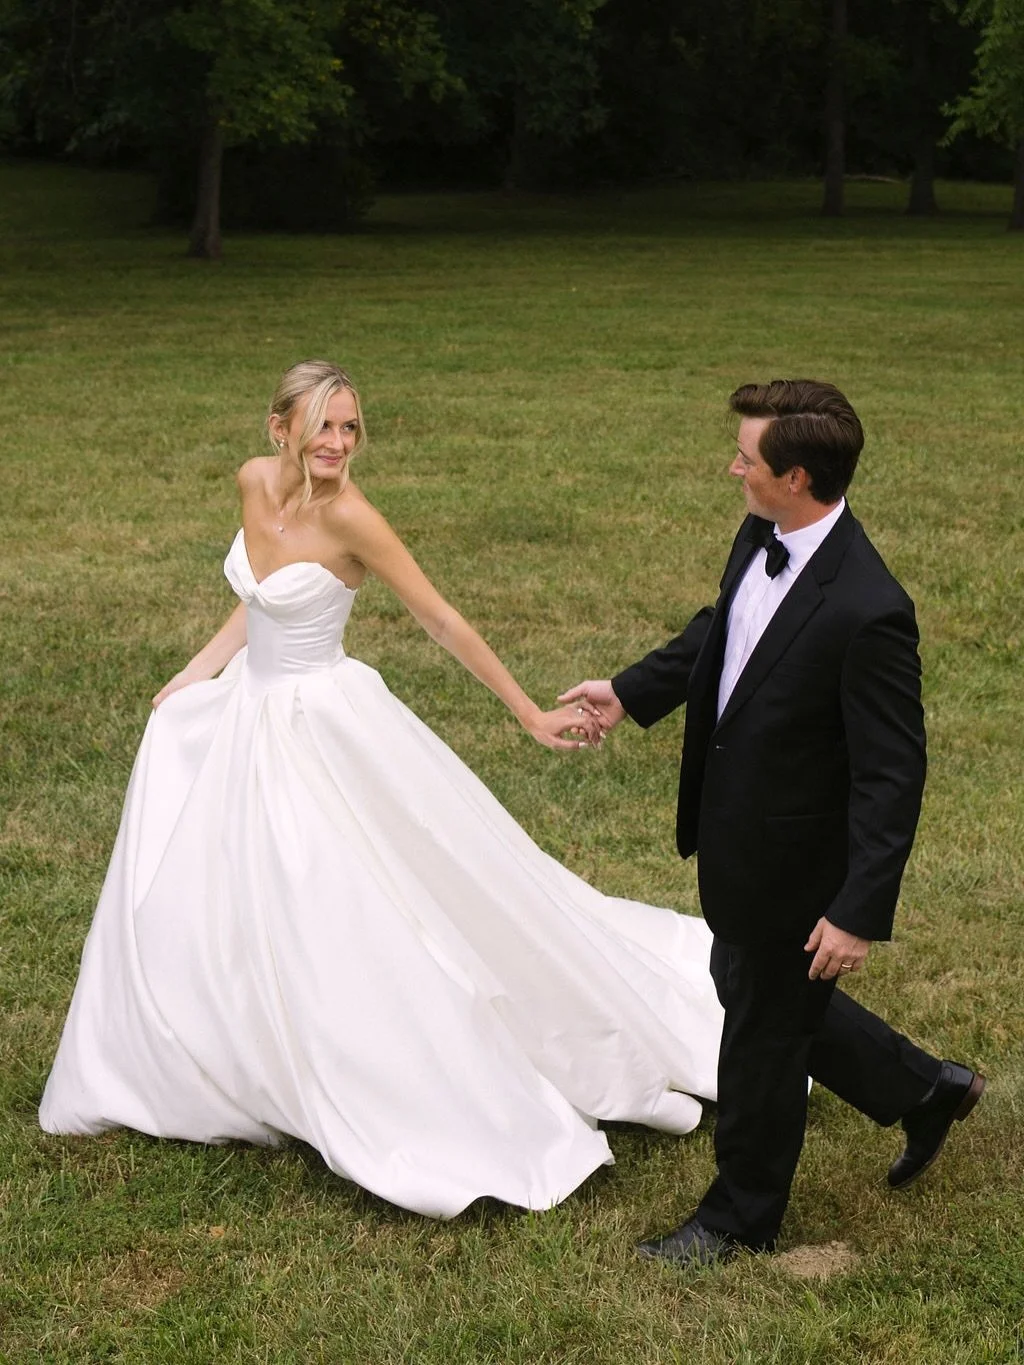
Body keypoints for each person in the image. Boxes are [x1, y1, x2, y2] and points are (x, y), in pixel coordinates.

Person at [39, 359, 724, 1219]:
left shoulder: (355, 517)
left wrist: (525, 712)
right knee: (221, 890)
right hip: (247, 715)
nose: (337, 442)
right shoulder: (253, 484)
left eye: (351, 427)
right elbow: (257, 599)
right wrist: (198, 670)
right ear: (278, 427)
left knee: (334, 895)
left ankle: (367, 1058)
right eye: (323, 424)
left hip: (324, 725)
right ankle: (219, 1047)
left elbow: (439, 618)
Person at [561, 378, 985, 1268]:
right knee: (755, 984)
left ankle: (737, 1218)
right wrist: (632, 691)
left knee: (759, 1034)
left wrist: (860, 907)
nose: (732, 467)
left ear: (793, 476)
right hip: (739, 842)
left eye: (745, 458)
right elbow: (725, 632)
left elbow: (891, 770)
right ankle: (926, 1088)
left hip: (801, 861)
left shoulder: (869, 610)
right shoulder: (763, 533)